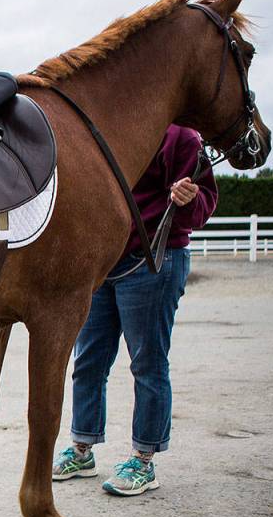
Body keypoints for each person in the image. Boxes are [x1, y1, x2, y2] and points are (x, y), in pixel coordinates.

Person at [52, 125, 217, 496]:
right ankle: (83, 447)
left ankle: (144, 460)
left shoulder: (183, 139)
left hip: (154, 262)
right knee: (89, 360)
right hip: (104, 262)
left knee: (147, 363)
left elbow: (204, 206)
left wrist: (188, 199)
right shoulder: (110, 127)